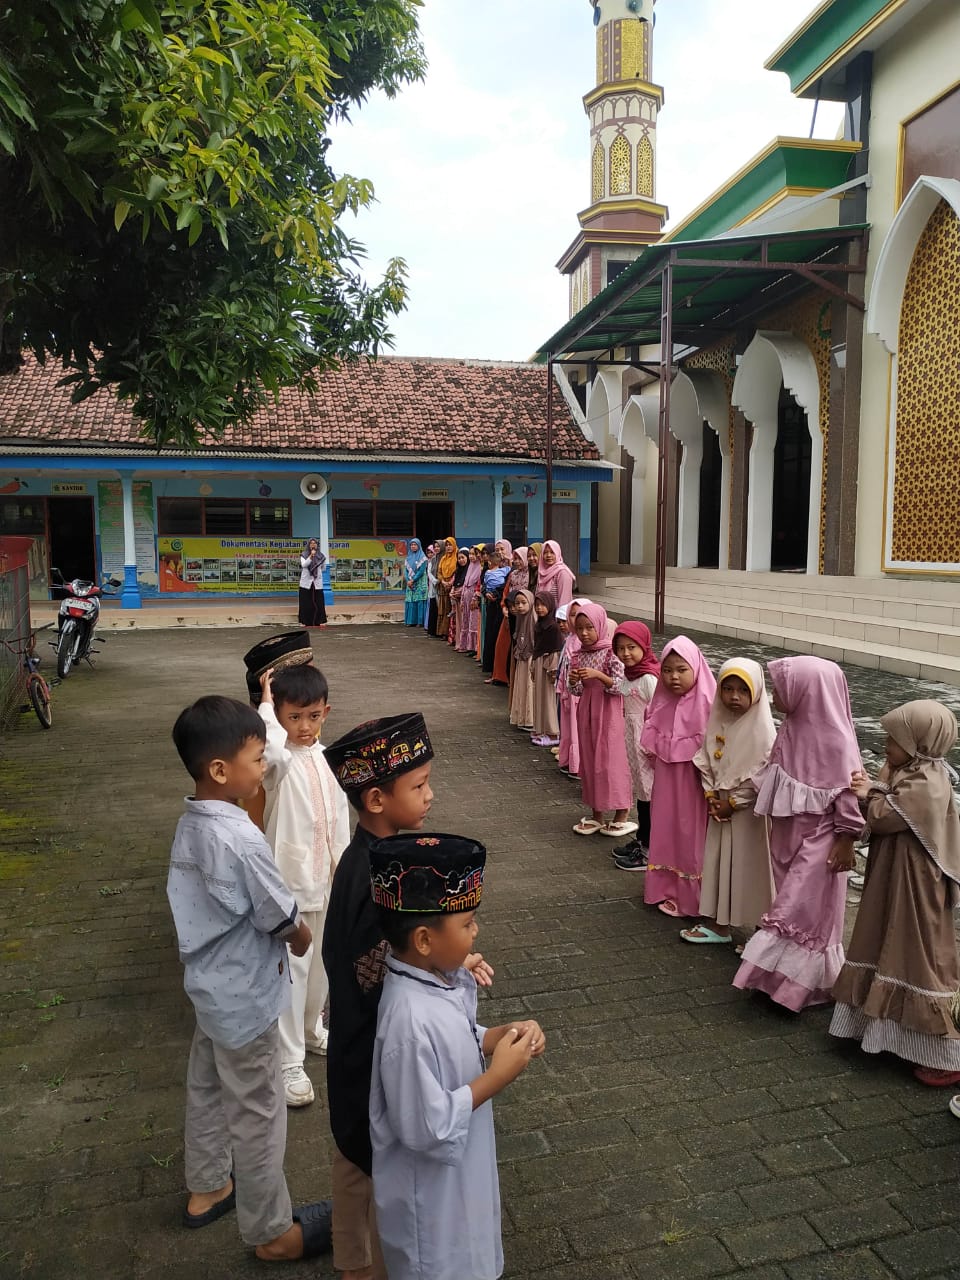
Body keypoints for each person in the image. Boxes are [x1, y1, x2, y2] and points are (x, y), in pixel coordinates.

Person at [321, 715, 494, 1280]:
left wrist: (454, 958)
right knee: (365, 1162)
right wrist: (444, 966)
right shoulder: (368, 876)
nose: (430, 794)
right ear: (376, 799)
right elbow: (376, 966)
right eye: (418, 785)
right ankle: (359, 1266)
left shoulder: (376, 858)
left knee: (358, 1163)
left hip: (364, 1044)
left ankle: (356, 1258)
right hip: (366, 1051)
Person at [167, 695, 332, 1262]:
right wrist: (303, 940)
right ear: (220, 770)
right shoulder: (241, 838)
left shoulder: (190, 824)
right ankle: (271, 1232)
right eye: (258, 759)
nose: (264, 768)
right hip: (249, 1000)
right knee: (259, 1115)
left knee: (207, 1088)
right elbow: (279, 914)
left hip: (210, 992)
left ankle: (208, 1186)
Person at [368, 832, 545, 1280]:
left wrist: (498, 1037)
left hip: (456, 1182)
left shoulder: (427, 982)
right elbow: (426, 1126)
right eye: (467, 924)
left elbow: (454, 1037)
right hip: (429, 1204)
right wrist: (497, 1077)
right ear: (424, 940)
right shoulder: (408, 1020)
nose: (475, 931)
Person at [831, 700, 960, 1084]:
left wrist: (870, 793)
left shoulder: (927, 782)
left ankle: (946, 1053)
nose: (887, 745)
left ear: (919, 743)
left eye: (895, 739)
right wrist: (878, 786)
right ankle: (883, 1031)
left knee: (917, 954)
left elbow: (884, 817)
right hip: (897, 877)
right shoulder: (912, 772)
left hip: (915, 886)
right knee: (886, 941)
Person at [733, 656, 863, 1011]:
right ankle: (780, 979)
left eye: (781, 689)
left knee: (801, 911)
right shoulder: (791, 729)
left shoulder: (838, 743)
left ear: (808, 692)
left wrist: (847, 837)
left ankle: (796, 989)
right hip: (786, 837)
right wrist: (737, 797)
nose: (775, 696)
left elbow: (847, 795)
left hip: (821, 842)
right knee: (788, 906)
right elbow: (771, 773)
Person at [259, 663, 350, 1106]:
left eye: (313, 716)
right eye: (293, 717)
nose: (304, 727)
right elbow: (272, 751)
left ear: (325, 713)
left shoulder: (328, 758)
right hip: (291, 882)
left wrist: (345, 871)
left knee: (322, 966)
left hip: (327, 879)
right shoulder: (276, 764)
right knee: (292, 972)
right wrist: (265, 705)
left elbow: (340, 819)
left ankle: (313, 1029)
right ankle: (288, 1058)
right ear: (279, 716)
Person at [680, 658, 775, 941]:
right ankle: (719, 924)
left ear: (757, 692)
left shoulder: (763, 733)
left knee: (752, 868)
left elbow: (761, 776)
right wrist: (711, 793)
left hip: (749, 815)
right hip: (719, 809)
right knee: (719, 863)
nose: (735, 696)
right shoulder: (718, 721)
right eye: (728, 688)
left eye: (744, 690)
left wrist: (733, 803)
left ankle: (762, 932)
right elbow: (707, 759)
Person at [641, 637, 716, 917]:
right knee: (665, 828)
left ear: (696, 668)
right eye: (668, 670)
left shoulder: (709, 702)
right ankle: (665, 887)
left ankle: (691, 897)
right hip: (666, 780)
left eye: (682, 670)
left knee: (690, 834)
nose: (674, 677)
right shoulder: (661, 701)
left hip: (696, 784)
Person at [568, 601, 636, 839]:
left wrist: (598, 675)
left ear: (600, 625)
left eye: (589, 627)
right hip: (587, 712)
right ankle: (597, 814)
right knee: (590, 761)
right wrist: (573, 681)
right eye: (580, 628)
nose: (584, 633)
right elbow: (577, 691)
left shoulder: (611, 653)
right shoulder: (578, 655)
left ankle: (622, 812)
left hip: (610, 713)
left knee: (611, 761)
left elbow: (620, 687)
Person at [608, 621, 660, 872]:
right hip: (633, 741)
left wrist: (652, 745)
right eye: (620, 648)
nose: (626, 653)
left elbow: (659, 713)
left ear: (644, 646)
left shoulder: (649, 677)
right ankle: (642, 839)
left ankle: (650, 850)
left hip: (647, 745)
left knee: (650, 795)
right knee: (641, 792)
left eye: (632, 647)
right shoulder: (630, 674)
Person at [491, 548, 528, 686]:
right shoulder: (513, 574)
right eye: (515, 559)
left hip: (523, 616)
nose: (517, 562)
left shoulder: (531, 575)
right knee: (502, 645)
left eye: (520, 559)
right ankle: (501, 676)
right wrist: (504, 607)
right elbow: (505, 593)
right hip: (509, 614)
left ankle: (514, 678)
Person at [530, 591, 563, 747]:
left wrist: (553, 670)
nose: (539, 608)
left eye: (543, 605)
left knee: (548, 699)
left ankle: (552, 732)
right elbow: (537, 647)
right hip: (539, 662)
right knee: (539, 697)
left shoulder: (553, 627)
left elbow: (555, 649)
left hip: (548, 665)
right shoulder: (539, 625)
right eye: (537, 605)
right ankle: (541, 728)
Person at [508, 588, 536, 731]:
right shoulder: (520, 619)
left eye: (523, 603)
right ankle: (521, 716)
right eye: (517, 603)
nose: (519, 606)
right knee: (521, 686)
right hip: (521, 658)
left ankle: (530, 718)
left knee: (529, 687)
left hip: (531, 658)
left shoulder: (534, 619)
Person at [481, 548, 510, 680]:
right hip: (492, 605)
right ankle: (492, 670)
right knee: (491, 636)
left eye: (502, 549)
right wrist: (486, 593)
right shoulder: (490, 572)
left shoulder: (508, 571)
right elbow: (484, 585)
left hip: (501, 606)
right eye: (497, 550)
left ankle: (499, 672)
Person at [535, 540, 576, 608]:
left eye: (552, 552)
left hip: (557, 613)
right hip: (543, 612)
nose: (548, 555)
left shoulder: (563, 573)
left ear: (557, 553)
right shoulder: (541, 572)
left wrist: (560, 614)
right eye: (545, 552)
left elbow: (564, 600)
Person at [457, 546, 483, 654]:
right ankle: (466, 646)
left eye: (474, 554)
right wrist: (462, 599)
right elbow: (465, 583)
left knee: (474, 623)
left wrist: (474, 598)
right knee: (466, 621)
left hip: (474, 600)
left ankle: (475, 648)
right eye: (470, 554)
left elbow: (478, 585)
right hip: (466, 598)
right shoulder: (470, 567)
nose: (472, 556)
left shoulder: (480, 567)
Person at [299, 539, 328, 628]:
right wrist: (311, 556)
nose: (313, 544)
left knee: (319, 602)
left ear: (317, 545)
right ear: (308, 545)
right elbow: (304, 565)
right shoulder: (304, 555)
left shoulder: (321, 556)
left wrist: (316, 571)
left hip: (316, 582)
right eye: (311, 543)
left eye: (314, 543)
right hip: (306, 582)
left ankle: (320, 621)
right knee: (305, 602)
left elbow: (323, 568)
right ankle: (304, 621)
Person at [435, 537, 458, 639]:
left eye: (450, 545)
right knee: (443, 609)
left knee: (451, 609)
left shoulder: (457, 557)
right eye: (447, 545)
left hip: (453, 586)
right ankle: (442, 632)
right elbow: (439, 572)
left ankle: (451, 634)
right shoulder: (443, 558)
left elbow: (458, 571)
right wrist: (443, 581)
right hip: (443, 586)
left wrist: (450, 582)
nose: (448, 547)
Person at [403, 539, 428, 628]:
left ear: (419, 546)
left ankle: (420, 621)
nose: (413, 546)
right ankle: (410, 621)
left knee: (419, 601)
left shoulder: (423, 557)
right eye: (411, 545)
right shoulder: (408, 558)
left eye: (415, 544)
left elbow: (421, 571)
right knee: (410, 600)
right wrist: (408, 580)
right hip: (410, 583)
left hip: (419, 582)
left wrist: (413, 580)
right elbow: (406, 570)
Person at [449, 548, 469, 647]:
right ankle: (459, 643)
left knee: (464, 621)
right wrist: (452, 592)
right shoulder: (458, 571)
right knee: (458, 621)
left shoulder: (469, 570)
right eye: (459, 558)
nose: (461, 560)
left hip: (465, 600)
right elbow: (454, 584)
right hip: (457, 600)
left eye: (463, 557)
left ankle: (465, 644)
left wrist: (460, 592)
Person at [425, 545, 439, 635]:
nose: (430, 554)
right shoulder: (431, 561)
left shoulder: (440, 559)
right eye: (428, 552)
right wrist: (435, 581)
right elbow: (429, 573)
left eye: (431, 552)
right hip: (433, 585)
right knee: (432, 606)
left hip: (441, 585)